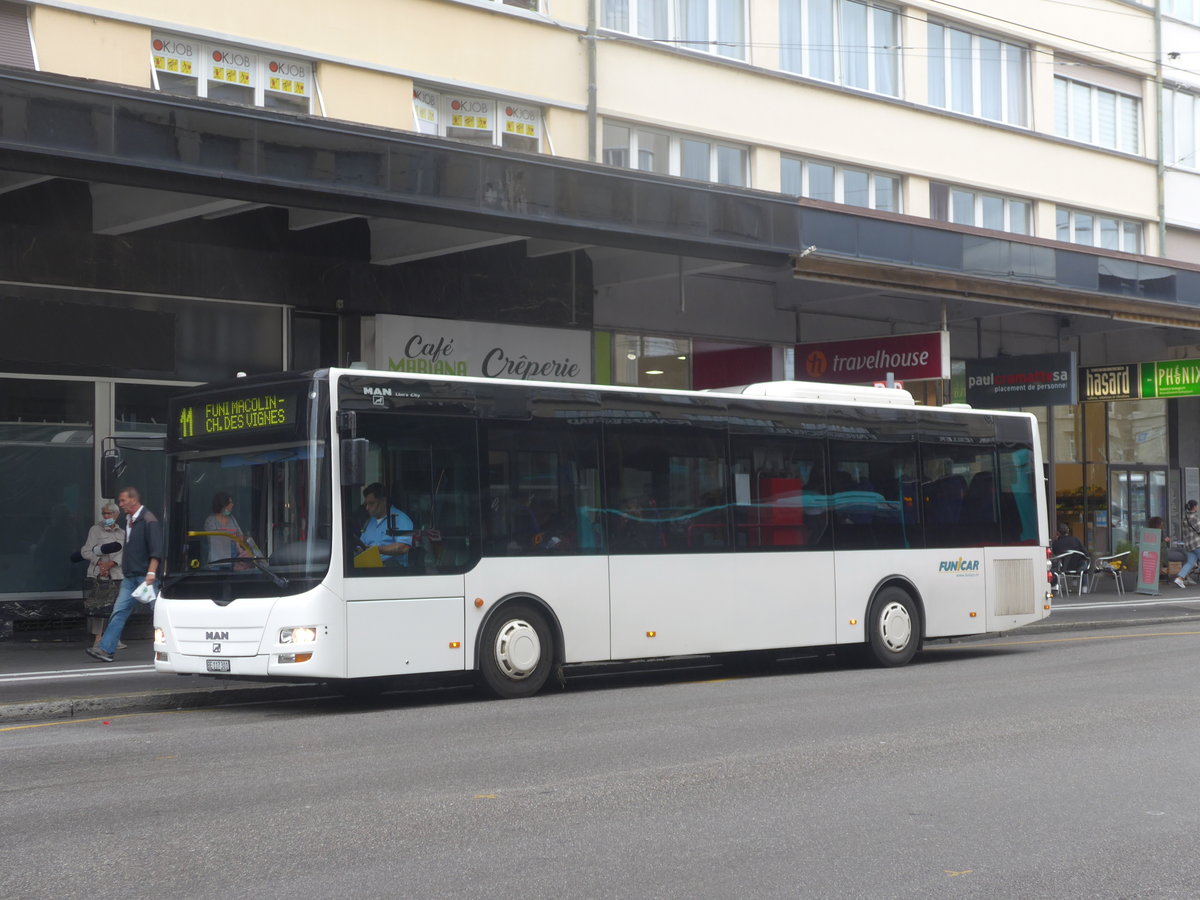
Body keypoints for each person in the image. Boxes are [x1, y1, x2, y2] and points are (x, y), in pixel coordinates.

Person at [86, 486, 163, 662]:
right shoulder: (131, 520)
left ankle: (173, 644)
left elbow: (156, 550)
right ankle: (106, 649)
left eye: (123, 501)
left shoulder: (148, 520)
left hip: (145, 577)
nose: (120, 505)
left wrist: (151, 572)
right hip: (130, 577)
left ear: (134, 500)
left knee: (158, 612)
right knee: (119, 611)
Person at [80, 503, 125, 650]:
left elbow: (124, 553)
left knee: (115, 607)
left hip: (116, 574)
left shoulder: (122, 533)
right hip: (99, 574)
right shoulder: (96, 530)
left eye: (110, 514)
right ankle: (98, 639)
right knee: (99, 606)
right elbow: (86, 551)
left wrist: (111, 564)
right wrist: (100, 563)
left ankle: (113, 637)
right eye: (104, 514)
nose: (107, 517)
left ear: (116, 515)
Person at [357, 483, 416, 567]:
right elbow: (361, 545)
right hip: (369, 569)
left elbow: (404, 547)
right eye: (366, 504)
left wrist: (376, 550)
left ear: (384, 501)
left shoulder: (402, 519)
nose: (367, 508)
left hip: (392, 572)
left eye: (371, 503)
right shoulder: (369, 522)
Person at [203, 491, 252, 569]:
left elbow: (240, 536)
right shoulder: (210, 520)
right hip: (217, 563)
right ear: (223, 504)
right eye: (230, 503)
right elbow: (214, 540)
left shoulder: (232, 518)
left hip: (233, 562)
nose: (232, 505)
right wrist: (232, 537)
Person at [1174, 500, 1200, 589]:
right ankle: (1180, 578)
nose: (1198, 507)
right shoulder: (1194, 517)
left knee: (1190, 562)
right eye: (1197, 506)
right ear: (1194, 507)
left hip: (1189, 545)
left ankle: (1180, 578)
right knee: (1190, 562)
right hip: (1197, 544)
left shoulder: (1185, 517)